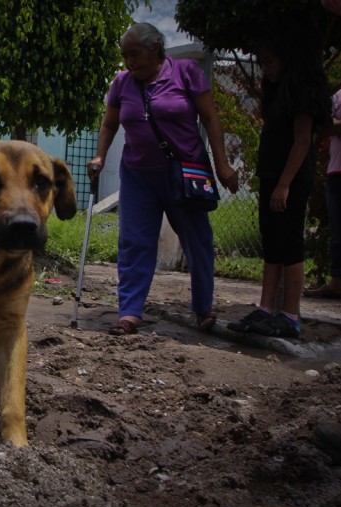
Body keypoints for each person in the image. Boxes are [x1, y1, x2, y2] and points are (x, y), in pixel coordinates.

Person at [86, 22, 238, 336]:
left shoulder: (186, 72)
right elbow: (109, 124)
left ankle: (203, 308)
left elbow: (210, 118)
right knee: (134, 242)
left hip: (184, 172)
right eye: (125, 56)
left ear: (155, 47)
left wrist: (222, 165)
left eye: (135, 54)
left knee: (197, 239)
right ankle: (130, 313)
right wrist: (100, 156)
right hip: (138, 175)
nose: (129, 62)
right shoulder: (122, 82)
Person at [227, 34, 331, 337]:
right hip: (273, 175)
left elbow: (302, 141)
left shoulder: (302, 92)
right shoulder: (277, 92)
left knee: (289, 243)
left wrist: (284, 184)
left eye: (270, 61)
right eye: (262, 63)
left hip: (292, 178)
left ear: (287, 60)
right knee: (272, 243)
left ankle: (290, 315)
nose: (266, 68)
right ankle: (265, 308)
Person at [303, 84, 341, 299]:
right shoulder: (339, 95)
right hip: (338, 170)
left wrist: (338, 126)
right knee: (339, 231)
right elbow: (323, 126)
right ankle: (337, 282)